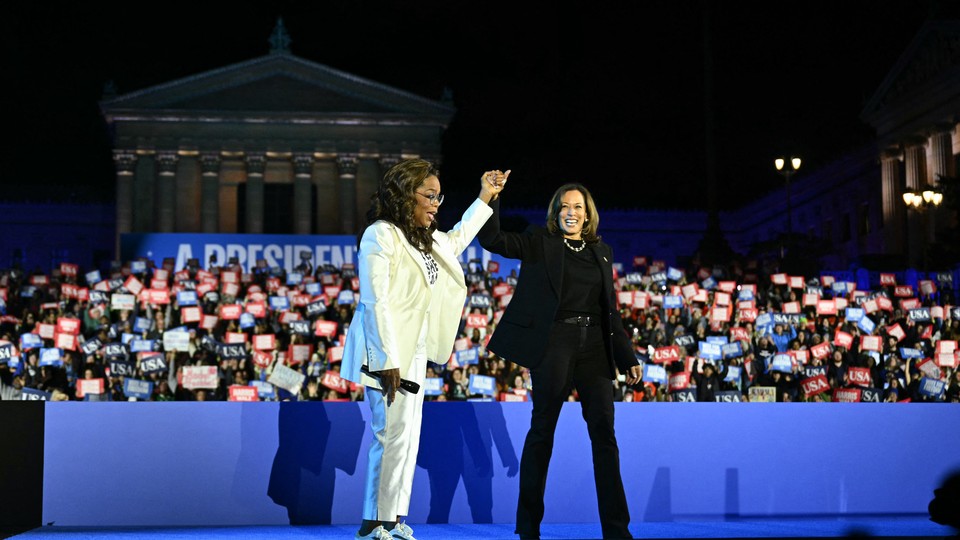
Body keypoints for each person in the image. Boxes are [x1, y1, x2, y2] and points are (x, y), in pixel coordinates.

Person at [340, 158, 505, 540]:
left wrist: (485, 196)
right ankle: (372, 523)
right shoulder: (381, 234)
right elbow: (375, 301)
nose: (435, 204)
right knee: (389, 435)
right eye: (429, 195)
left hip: (414, 351)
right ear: (404, 195)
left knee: (408, 437)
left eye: (438, 197)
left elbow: (460, 236)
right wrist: (386, 360)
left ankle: (393, 518)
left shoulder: (426, 239)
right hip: (384, 351)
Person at [477, 178, 641, 540]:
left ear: (588, 215)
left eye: (578, 207)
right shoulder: (539, 241)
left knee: (605, 434)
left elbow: (610, 310)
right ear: (556, 212)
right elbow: (492, 239)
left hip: (595, 346)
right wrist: (491, 196)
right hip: (555, 343)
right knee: (542, 432)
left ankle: (617, 529)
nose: (571, 212)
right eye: (565, 206)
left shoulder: (602, 251)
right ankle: (528, 527)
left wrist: (626, 355)